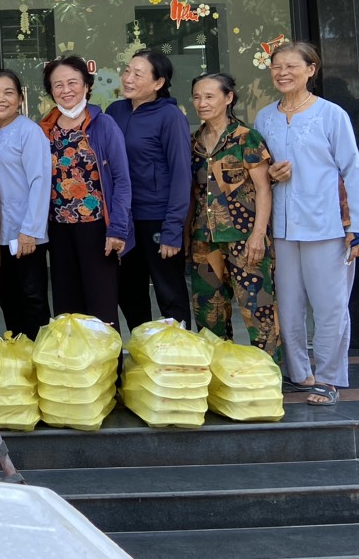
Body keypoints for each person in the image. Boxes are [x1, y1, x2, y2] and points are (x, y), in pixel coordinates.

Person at [254, 42, 359, 406]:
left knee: (330, 306)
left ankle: (329, 378)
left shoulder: (331, 114)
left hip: (327, 226)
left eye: (291, 66)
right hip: (282, 228)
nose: (283, 73)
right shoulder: (264, 118)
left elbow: (352, 169)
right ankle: (299, 373)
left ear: (311, 70)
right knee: (288, 307)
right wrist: (271, 174)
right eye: (277, 66)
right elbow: (258, 172)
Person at [188, 73, 280, 358]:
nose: (202, 103)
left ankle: (269, 374)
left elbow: (264, 189)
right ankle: (220, 373)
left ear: (228, 98)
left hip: (245, 238)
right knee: (208, 312)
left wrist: (258, 235)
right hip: (204, 241)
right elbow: (191, 194)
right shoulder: (193, 142)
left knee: (258, 310)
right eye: (197, 97)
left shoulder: (246, 138)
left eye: (209, 96)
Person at [39, 56, 133, 326]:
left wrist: (118, 229)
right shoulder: (46, 129)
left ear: (87, 86)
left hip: (97, 230)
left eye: (73, 82)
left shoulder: (103, 125)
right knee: (67, 312)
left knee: (101, 310)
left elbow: (122, 180)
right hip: (58, 231)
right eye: (58, 85)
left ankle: (107, 356)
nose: (65, 90)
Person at [106, 49, 193, 330]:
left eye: (137, 74)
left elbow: (181, 175)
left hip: (157, 218)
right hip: (124, 219)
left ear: (158, 83)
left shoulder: (170, 116)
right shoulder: (114, 112)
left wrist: (173, 228)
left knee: (170, 293)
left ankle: (178, 351)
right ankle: (142, 349)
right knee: (129, 293)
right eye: (127, 71)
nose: (128, 78)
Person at [0, 69, 52, 339]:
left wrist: (30, 230)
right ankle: (18, 355)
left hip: (25, 232)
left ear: (20, 99)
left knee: (32, 297)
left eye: (8, 92)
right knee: (7, 298)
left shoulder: (29, 131)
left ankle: (39, 354)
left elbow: (40, 181)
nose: (1, 99)